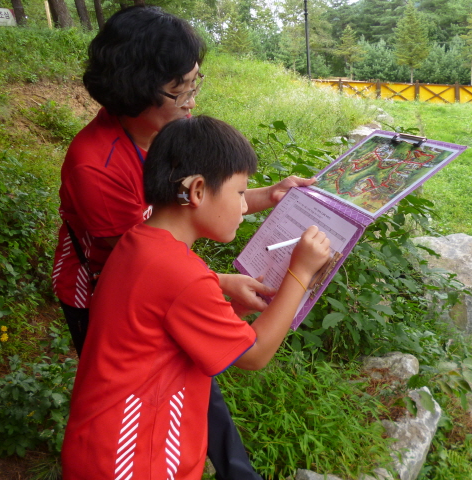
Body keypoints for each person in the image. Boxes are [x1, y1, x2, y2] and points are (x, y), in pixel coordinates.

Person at [51, 6, 314, 480]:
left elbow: (189, 208)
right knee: (164, 382)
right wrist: (295, 273)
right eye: (182, 88)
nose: (192, 99)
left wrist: (268, 197)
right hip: (105, 292)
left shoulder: (165, 138)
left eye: (196, 82)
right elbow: (137, 274)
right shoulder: (98, 167)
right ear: (142, 87)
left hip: (151, 290)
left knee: (188, 381)